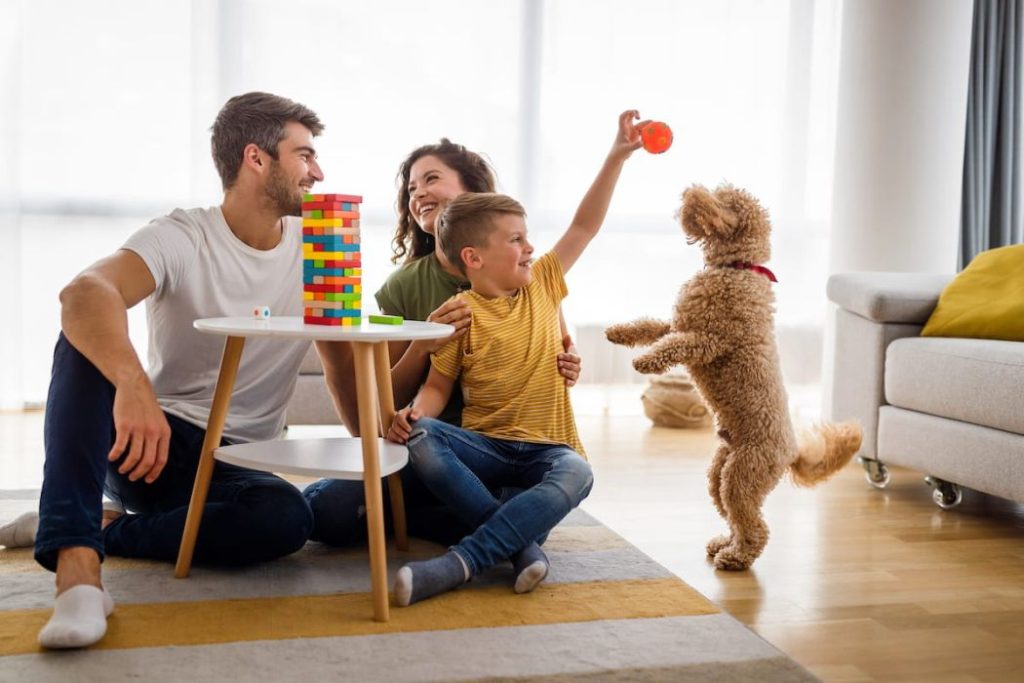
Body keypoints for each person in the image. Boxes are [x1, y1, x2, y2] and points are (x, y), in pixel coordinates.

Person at [5, 92, 324, 649]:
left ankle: (97, 527)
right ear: (256, 159)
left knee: (286, 517)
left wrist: (388, 421)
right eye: (304, 155)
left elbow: (344, 355)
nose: (317, 172)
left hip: (242, 461)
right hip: (153, 446)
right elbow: (85, 291)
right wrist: (133, 387)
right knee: (80, 337)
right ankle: (77, 572)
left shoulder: (319, 244)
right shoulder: (183, 234)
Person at [385, 110, 647, 606]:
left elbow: (585, 225)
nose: (531, 247)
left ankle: (457, 564)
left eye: (527, 237)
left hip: (545, 451)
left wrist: (616, 155)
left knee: (579, 472)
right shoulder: (460, 314)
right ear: (474, 258)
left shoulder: (545, 282)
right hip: (486, 452)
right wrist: (414, 414)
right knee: (421, 437)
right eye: (516, 240)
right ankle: (519, 545)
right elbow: (438, 389)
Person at [303, 139, 582, 546]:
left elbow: (558, 348)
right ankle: (498, 526)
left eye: (431, 179)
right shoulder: (403, 286)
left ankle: (460, 519)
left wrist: (570, 362)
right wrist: (422, 346)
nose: (418, 194)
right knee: (323, 509)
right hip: (429, 450)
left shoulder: (524, 275)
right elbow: (384, 402)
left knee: (534, 497)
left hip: (505, 448)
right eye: (411, 189)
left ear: (473, 192)